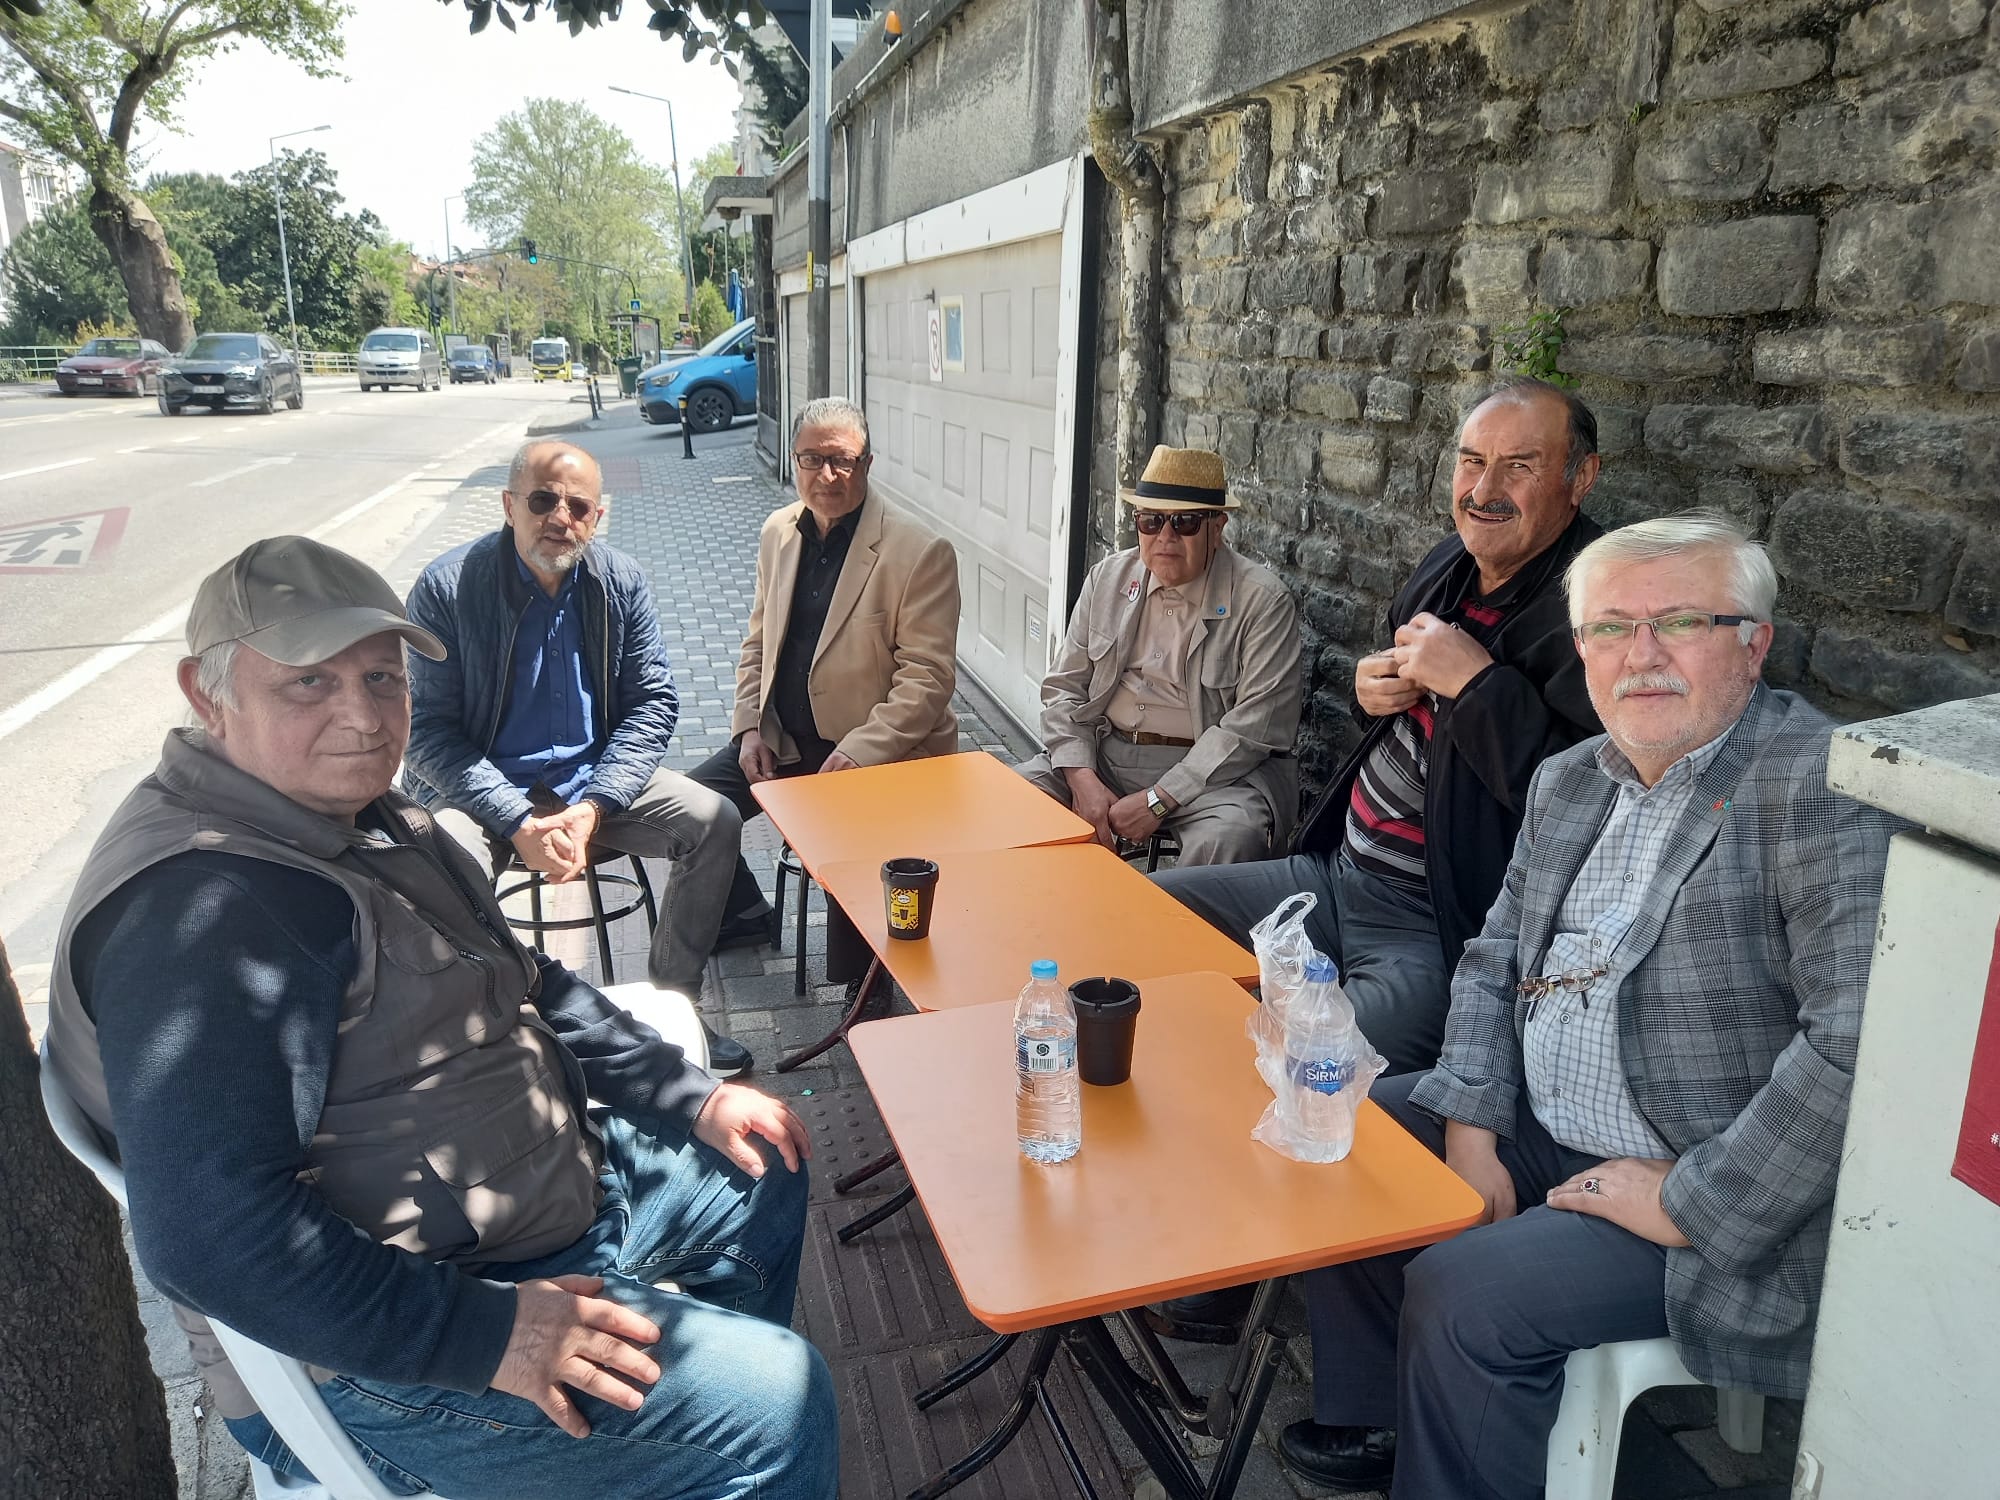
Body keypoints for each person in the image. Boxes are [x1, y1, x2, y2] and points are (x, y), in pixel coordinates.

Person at [44, 536, 836, 1500]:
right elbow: (212, 1237)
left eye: (382, 677)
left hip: (539, 1198)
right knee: (783, 1406)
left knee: (766, 1159)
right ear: (206, 696)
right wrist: (494, 1335)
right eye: (309, 682)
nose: (363, 716)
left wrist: (690, 1095)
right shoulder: (206, 912)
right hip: (393, 1344)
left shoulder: (370, 818)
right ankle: (709, 1449)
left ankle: (664, 1460)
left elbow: (527, 982)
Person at [1277, 514, 1898, 1498]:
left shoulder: (1814, 789)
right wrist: (1471, 1126)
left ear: (1753, 644)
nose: (1639, 656)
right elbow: (1492, 957)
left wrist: (1691, 1202)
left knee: (1463, 1294)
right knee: (1345, 1136)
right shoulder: (1571, 779)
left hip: (1703, 1179)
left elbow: (1861, 1042)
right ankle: (1384, 1418)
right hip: (1542, 1121)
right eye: (1609, 628)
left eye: (1680, 622)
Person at [1144, 378, 1608, 1345]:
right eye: (1472, 462)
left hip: (1438, 929)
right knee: (1142, 920)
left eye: (1519, 467)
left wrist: (1475, 684)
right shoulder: (1449, 566)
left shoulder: (1595, 614)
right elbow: (1404, 688)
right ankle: (1168, 1168)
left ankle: (1231, 1272)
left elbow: (1586, 802)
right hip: (1332, 876)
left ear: (1579, 479)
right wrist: (1372, 686)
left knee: (1309, 1077)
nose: (1485, 488)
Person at [403, 439, 757, 1076]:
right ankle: (505, 1026)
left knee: (714, 819)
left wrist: (595, 805)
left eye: (578, 506)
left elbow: (652, 703)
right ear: (508, 506)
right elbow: (425, 732)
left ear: (599, 516)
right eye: (542, 501)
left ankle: (673, 1008)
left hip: (589, 782)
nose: (559, 518)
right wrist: (516, 819)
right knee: (442, 863)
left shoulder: (619, 580)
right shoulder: (448, 587)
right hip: (481, 790)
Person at [691, 396, 960, 982]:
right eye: (812, 459)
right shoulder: (778, 532)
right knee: (693, 810)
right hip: (786, 741)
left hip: (875, 754)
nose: (827, 475)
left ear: (868, 464)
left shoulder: (918, 552)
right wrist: (748, 728)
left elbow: (928, 679)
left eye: (843, 461)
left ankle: (866, 996)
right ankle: (743, 914)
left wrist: (860, 751)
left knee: (853, 856)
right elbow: (757, 643)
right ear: (794, 461)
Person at [1015, 444, 1302, 864]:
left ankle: (1171, 912)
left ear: (1217, 527)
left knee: (1231, 837)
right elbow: (1063, 689)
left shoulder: (1262, 602)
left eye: (1184, 522)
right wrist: (1081, 778)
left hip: (1213, 773)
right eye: (1150, 520)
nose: (1165, 537)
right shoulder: (1108, 579)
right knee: (1012, 801)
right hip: (1105, 752)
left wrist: (1159, 799)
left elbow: (1254, 727)